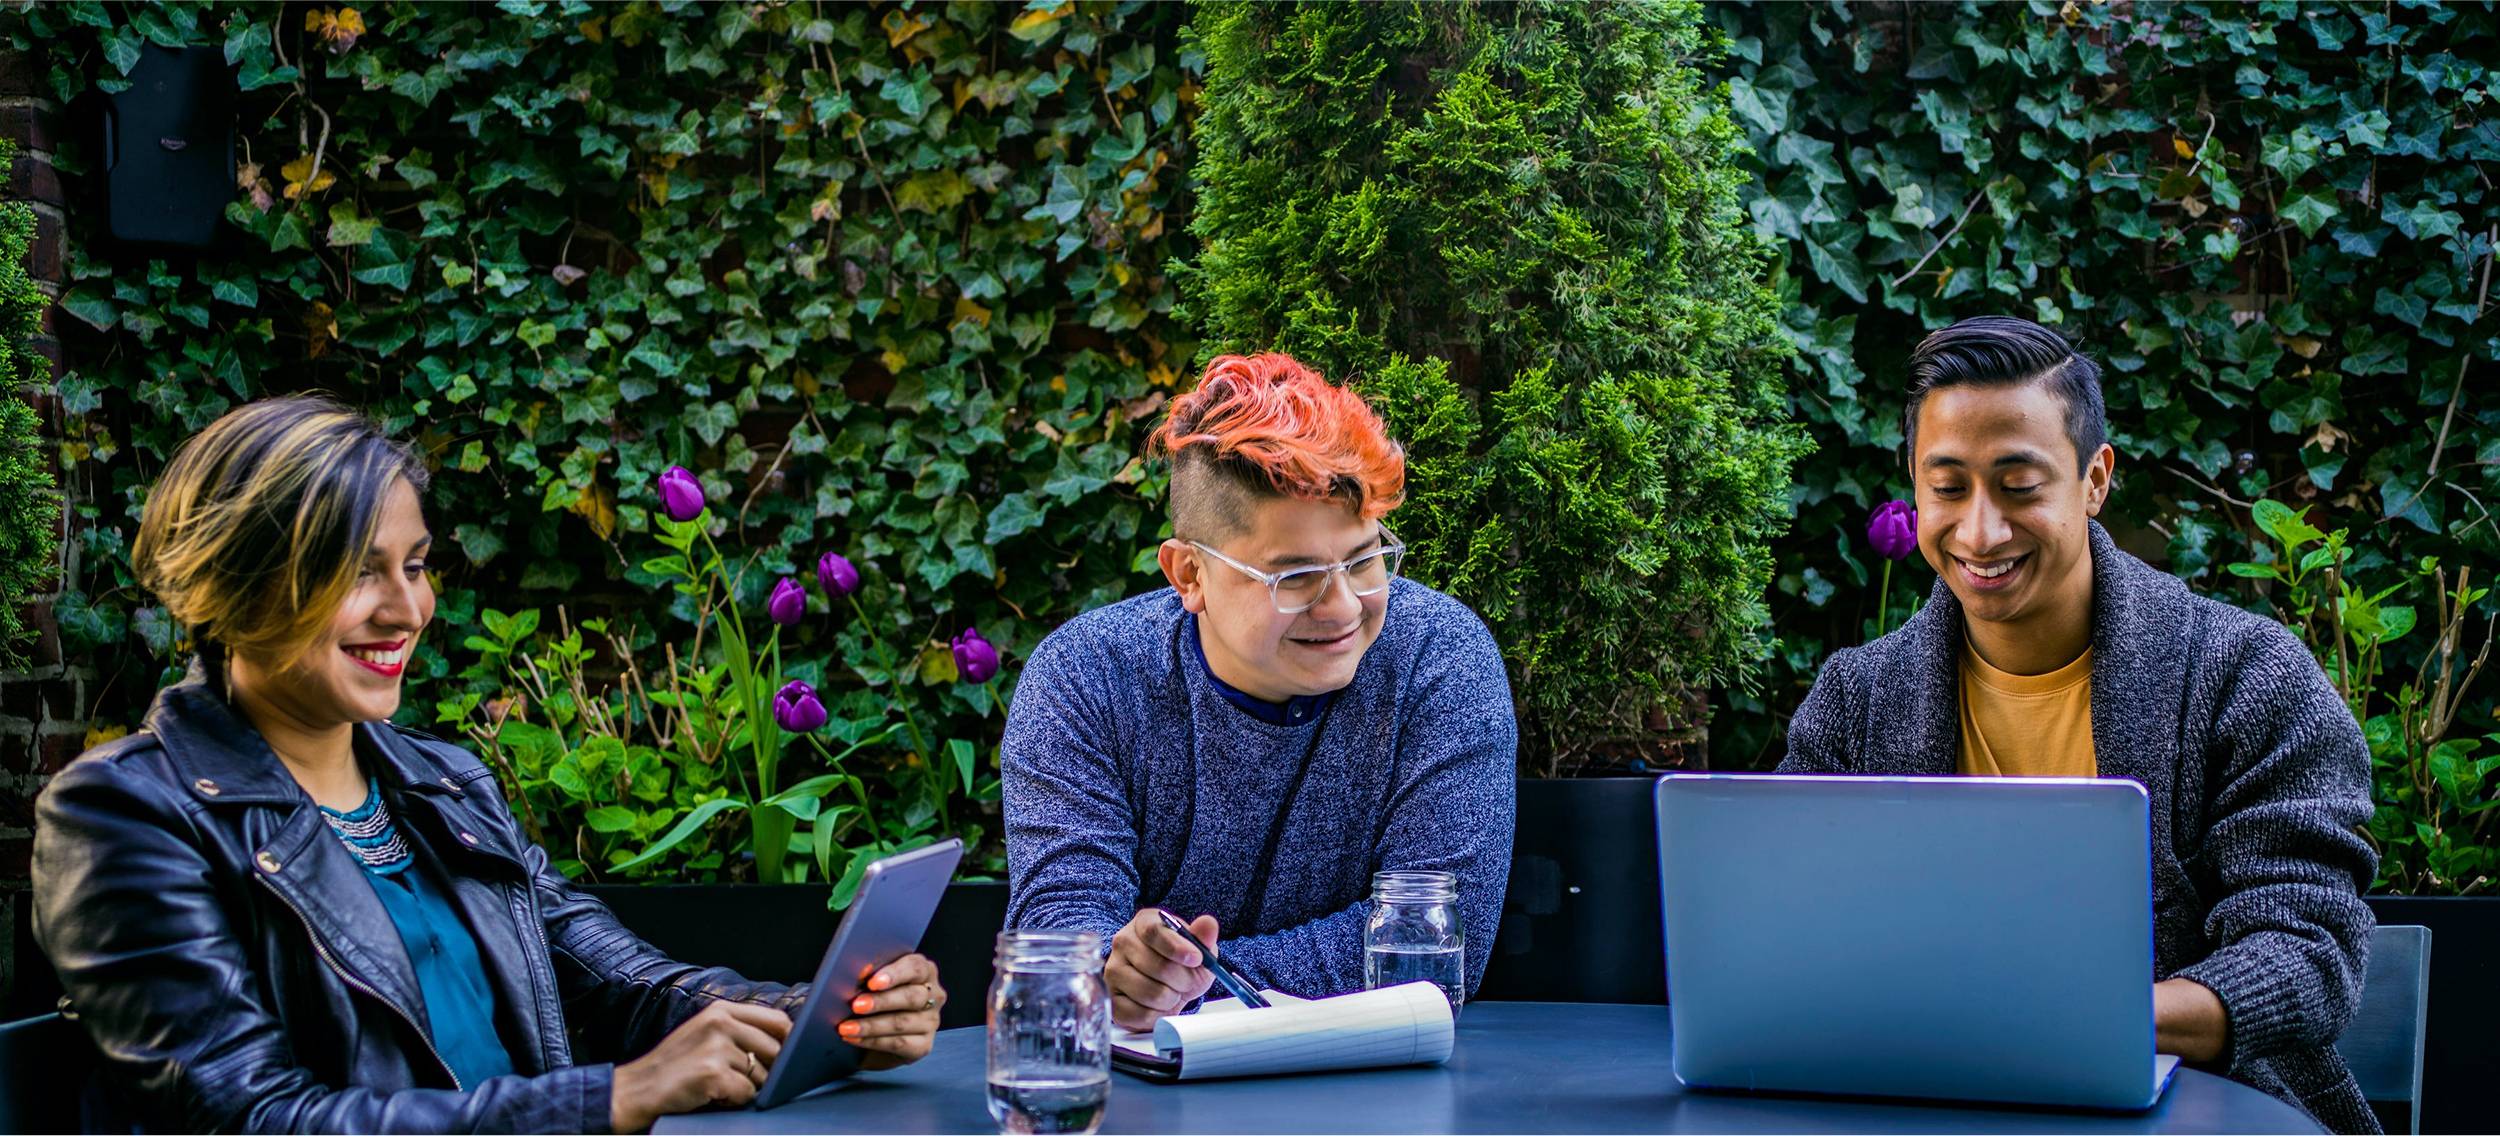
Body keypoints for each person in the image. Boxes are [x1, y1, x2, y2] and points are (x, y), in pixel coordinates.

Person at [33, 396, 945, 1133]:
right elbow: (256, 1117)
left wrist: (826, 1017)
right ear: (231, 587)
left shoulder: (442, 784)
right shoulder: (125, 816)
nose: (406, 609)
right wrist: (612, 1098)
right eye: (361, 573)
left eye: (418, 565)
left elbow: (622, 984)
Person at [1780, 317, 2380, 1133]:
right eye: (1948, 487)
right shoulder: (1856, 699)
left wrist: (2071, 1023)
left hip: (2210, 1113)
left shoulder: (2247, 674)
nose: (1980, 532)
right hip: (1924, 1107)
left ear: (2095, 480)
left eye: (2020, 486)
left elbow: (2308, 950)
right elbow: (1792, 933)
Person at [1001, 353, 1516, 1029]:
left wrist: (1183, 991)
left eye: (1364, 560)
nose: (1342, 607)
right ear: (1188, 574)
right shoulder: (1085, 680)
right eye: (1294, 577)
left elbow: (1437, 947)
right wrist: (1115, 970)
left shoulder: (1439, 658)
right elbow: (1066, 943)